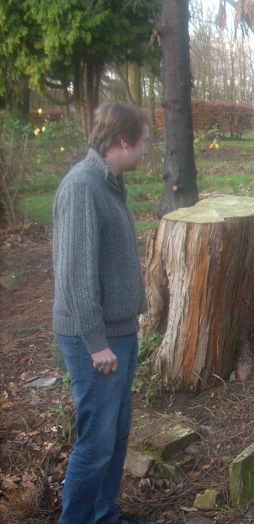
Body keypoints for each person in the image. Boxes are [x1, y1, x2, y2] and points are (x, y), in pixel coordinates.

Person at [52, 101, 157, 524]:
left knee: (114, 437)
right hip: (93, 340)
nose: (148, 149)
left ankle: (103, 516)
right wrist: (96, 344)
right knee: (95, 443)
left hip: (120, 333)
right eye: (145, 141)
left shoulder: (109, 183)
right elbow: (75, 275)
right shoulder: (82, 187)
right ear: (123, 140)